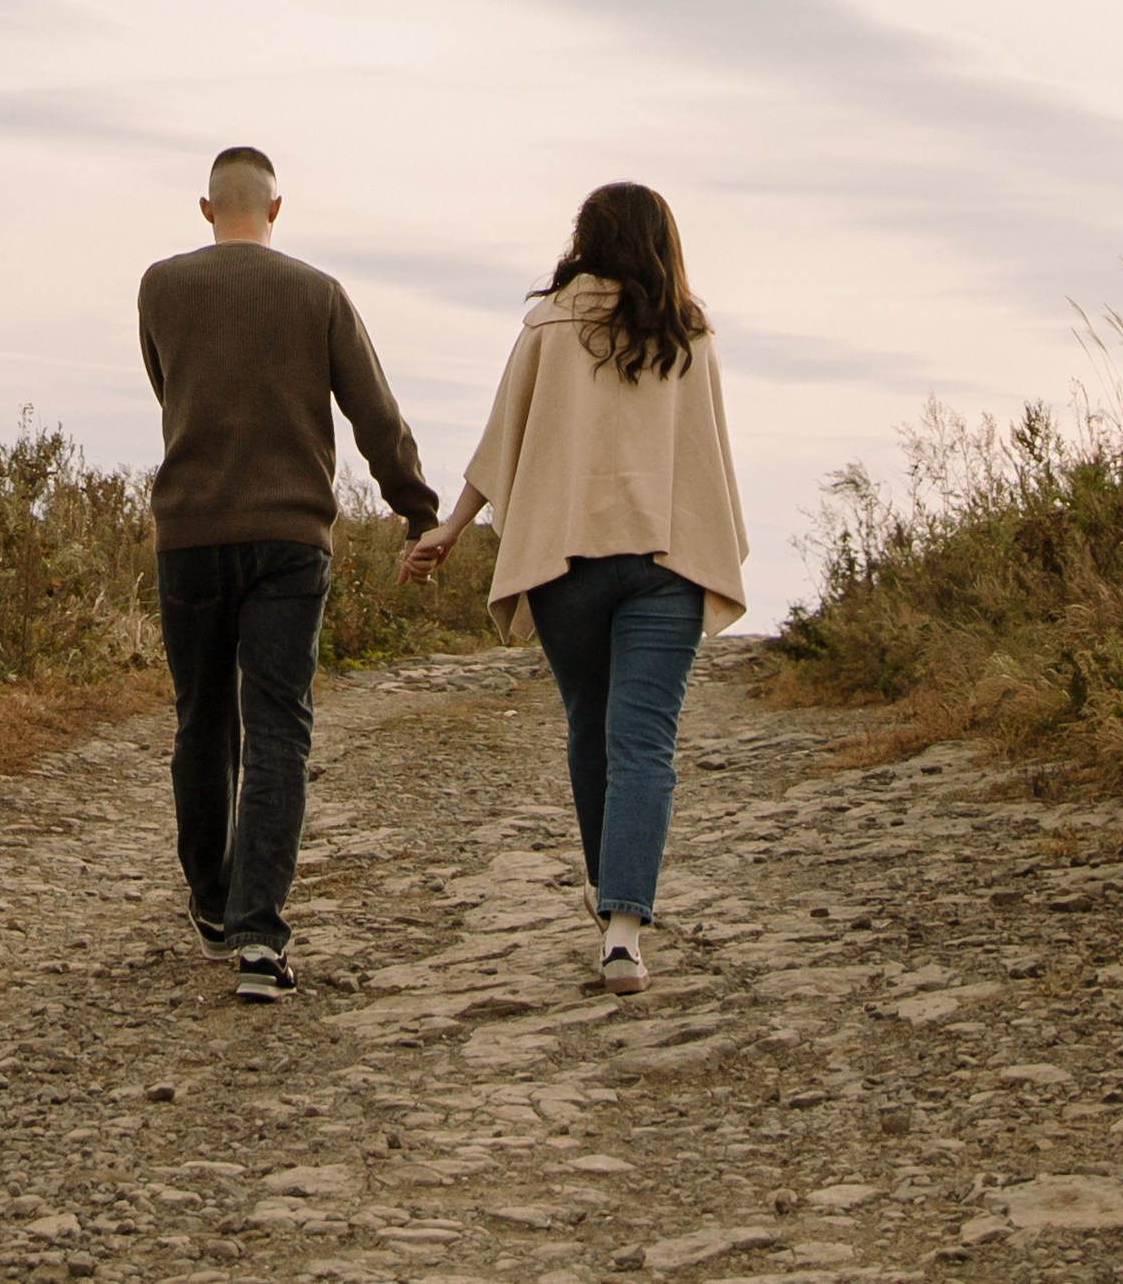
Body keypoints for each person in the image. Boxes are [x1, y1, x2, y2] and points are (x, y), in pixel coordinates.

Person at [401, 182, 745, 996]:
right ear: (663, 243)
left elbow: (501, 439)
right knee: (644, 743)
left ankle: (609, 889)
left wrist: (451, 528)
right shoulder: (688, 332)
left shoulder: (548, 325)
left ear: (583, 241)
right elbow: (708, 456)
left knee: (592, 727)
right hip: (665, 561)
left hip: (567, 564)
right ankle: (622, 928)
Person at [139, 145, 439, 1003]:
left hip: (189, 532)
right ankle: (260, 939)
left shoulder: (159, 285)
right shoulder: (319, 293)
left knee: (203, 721)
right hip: (290, 538)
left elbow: (168, 387)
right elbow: (376, 414)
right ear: (277, 209)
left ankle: (210, 902)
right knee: (278, 728)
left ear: (206, 208)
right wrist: (418, 512)